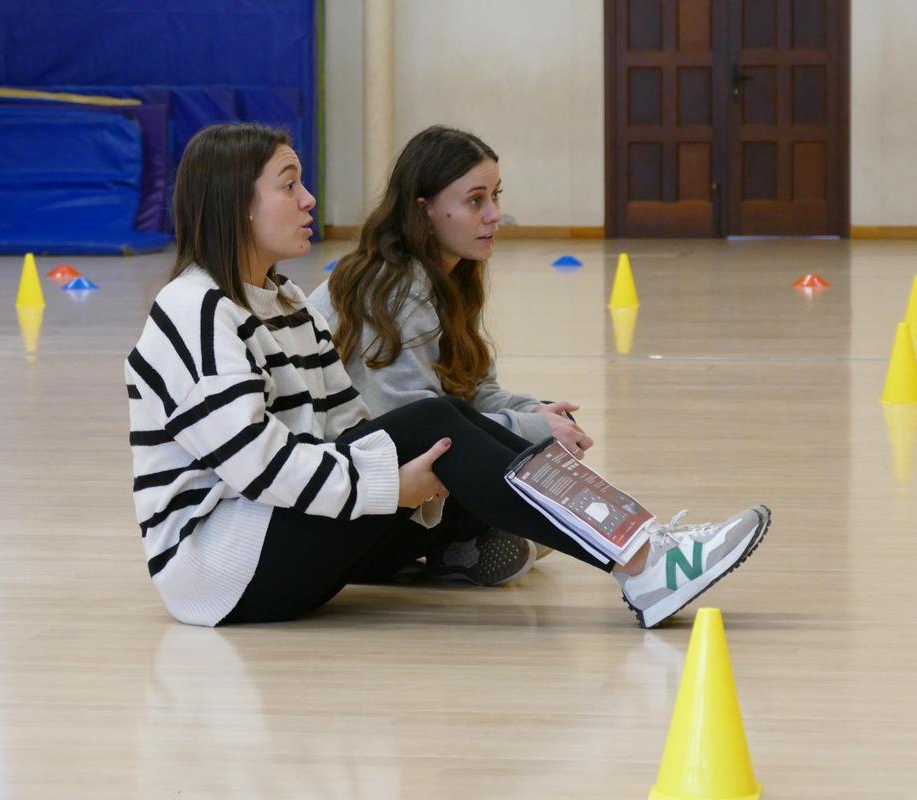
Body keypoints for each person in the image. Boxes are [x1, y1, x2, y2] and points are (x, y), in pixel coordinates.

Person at [125, 122, 770, 630]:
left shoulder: (284, 301)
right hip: (221, 570)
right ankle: (642, 561)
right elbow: (260, 468)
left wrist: (411, 477)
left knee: (449, 421)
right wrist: (388, 486)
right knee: (438, 424)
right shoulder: (197, 312)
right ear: (236, 206)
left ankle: (642, 541)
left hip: (278, 534)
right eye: (289, 185)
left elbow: (351, 424)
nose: (309, 199)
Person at [309, 126, 593, 586]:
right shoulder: (393, 287)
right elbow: (415, 425)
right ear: (424, 210)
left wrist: (537, 414)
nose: (495, 215)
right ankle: (630, 547)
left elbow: (476, 393)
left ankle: (461, 544)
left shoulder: (448, 279)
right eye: (475, 201)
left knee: (545, 439)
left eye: (496, 196)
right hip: (343, 509)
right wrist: (533, 432)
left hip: (392, 488)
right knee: (524, 459)